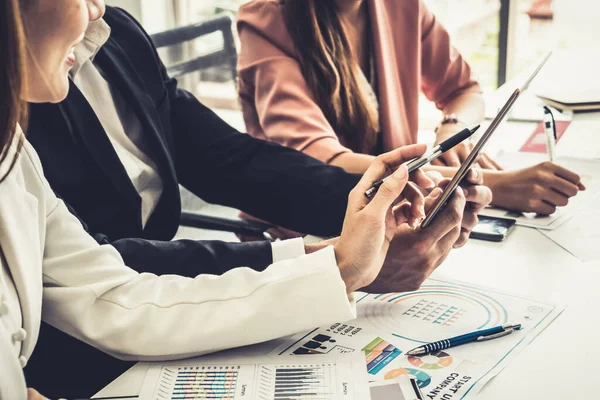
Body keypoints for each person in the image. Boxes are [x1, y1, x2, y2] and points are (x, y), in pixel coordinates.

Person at [0, 0, 490, 398]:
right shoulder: (25, 111)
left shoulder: (18, 149)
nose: (98, 11)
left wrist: (357, 237)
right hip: (74, 352)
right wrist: (332, 262)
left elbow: (113, 292)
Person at [237, 0, 585, 217]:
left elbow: (464, 89)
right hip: (309, 223)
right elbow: (326, 163)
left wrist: (452, 131)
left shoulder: (399, 6)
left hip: (401, 207)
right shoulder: (266, 22)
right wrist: (494, 186)